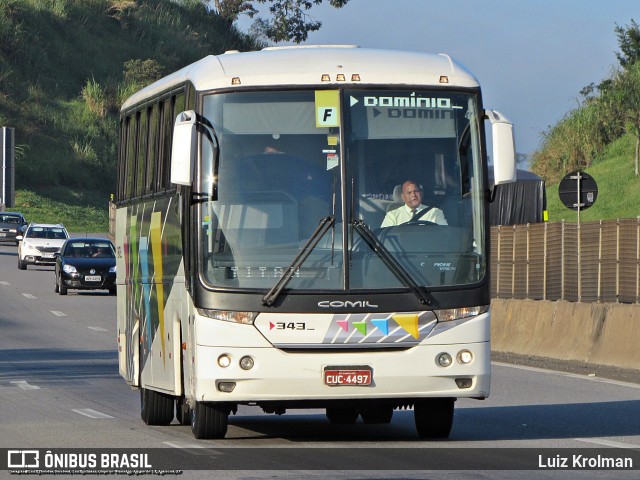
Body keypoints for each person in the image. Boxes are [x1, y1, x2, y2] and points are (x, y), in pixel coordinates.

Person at [381, 180, 447, 227]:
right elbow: (385, 240)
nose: (413, 195)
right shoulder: (392, 216)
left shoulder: (435, 212)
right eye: (409, 192)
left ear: (421, 194)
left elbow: (444, 235)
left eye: (416, 191)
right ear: (403, 197)